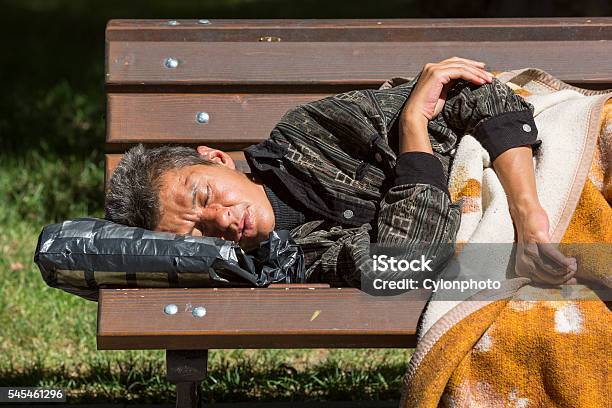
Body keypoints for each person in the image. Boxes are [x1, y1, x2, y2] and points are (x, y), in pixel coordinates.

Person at [105, 57, 577, 286]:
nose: (224, 222)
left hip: (541, 161)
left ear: (215, 157)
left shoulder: (313, 130)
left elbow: (484, 98)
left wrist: (526, 209)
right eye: (202, 236)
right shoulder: (300, 256)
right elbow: (406, 261)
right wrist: (413, 128)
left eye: (206, 199)